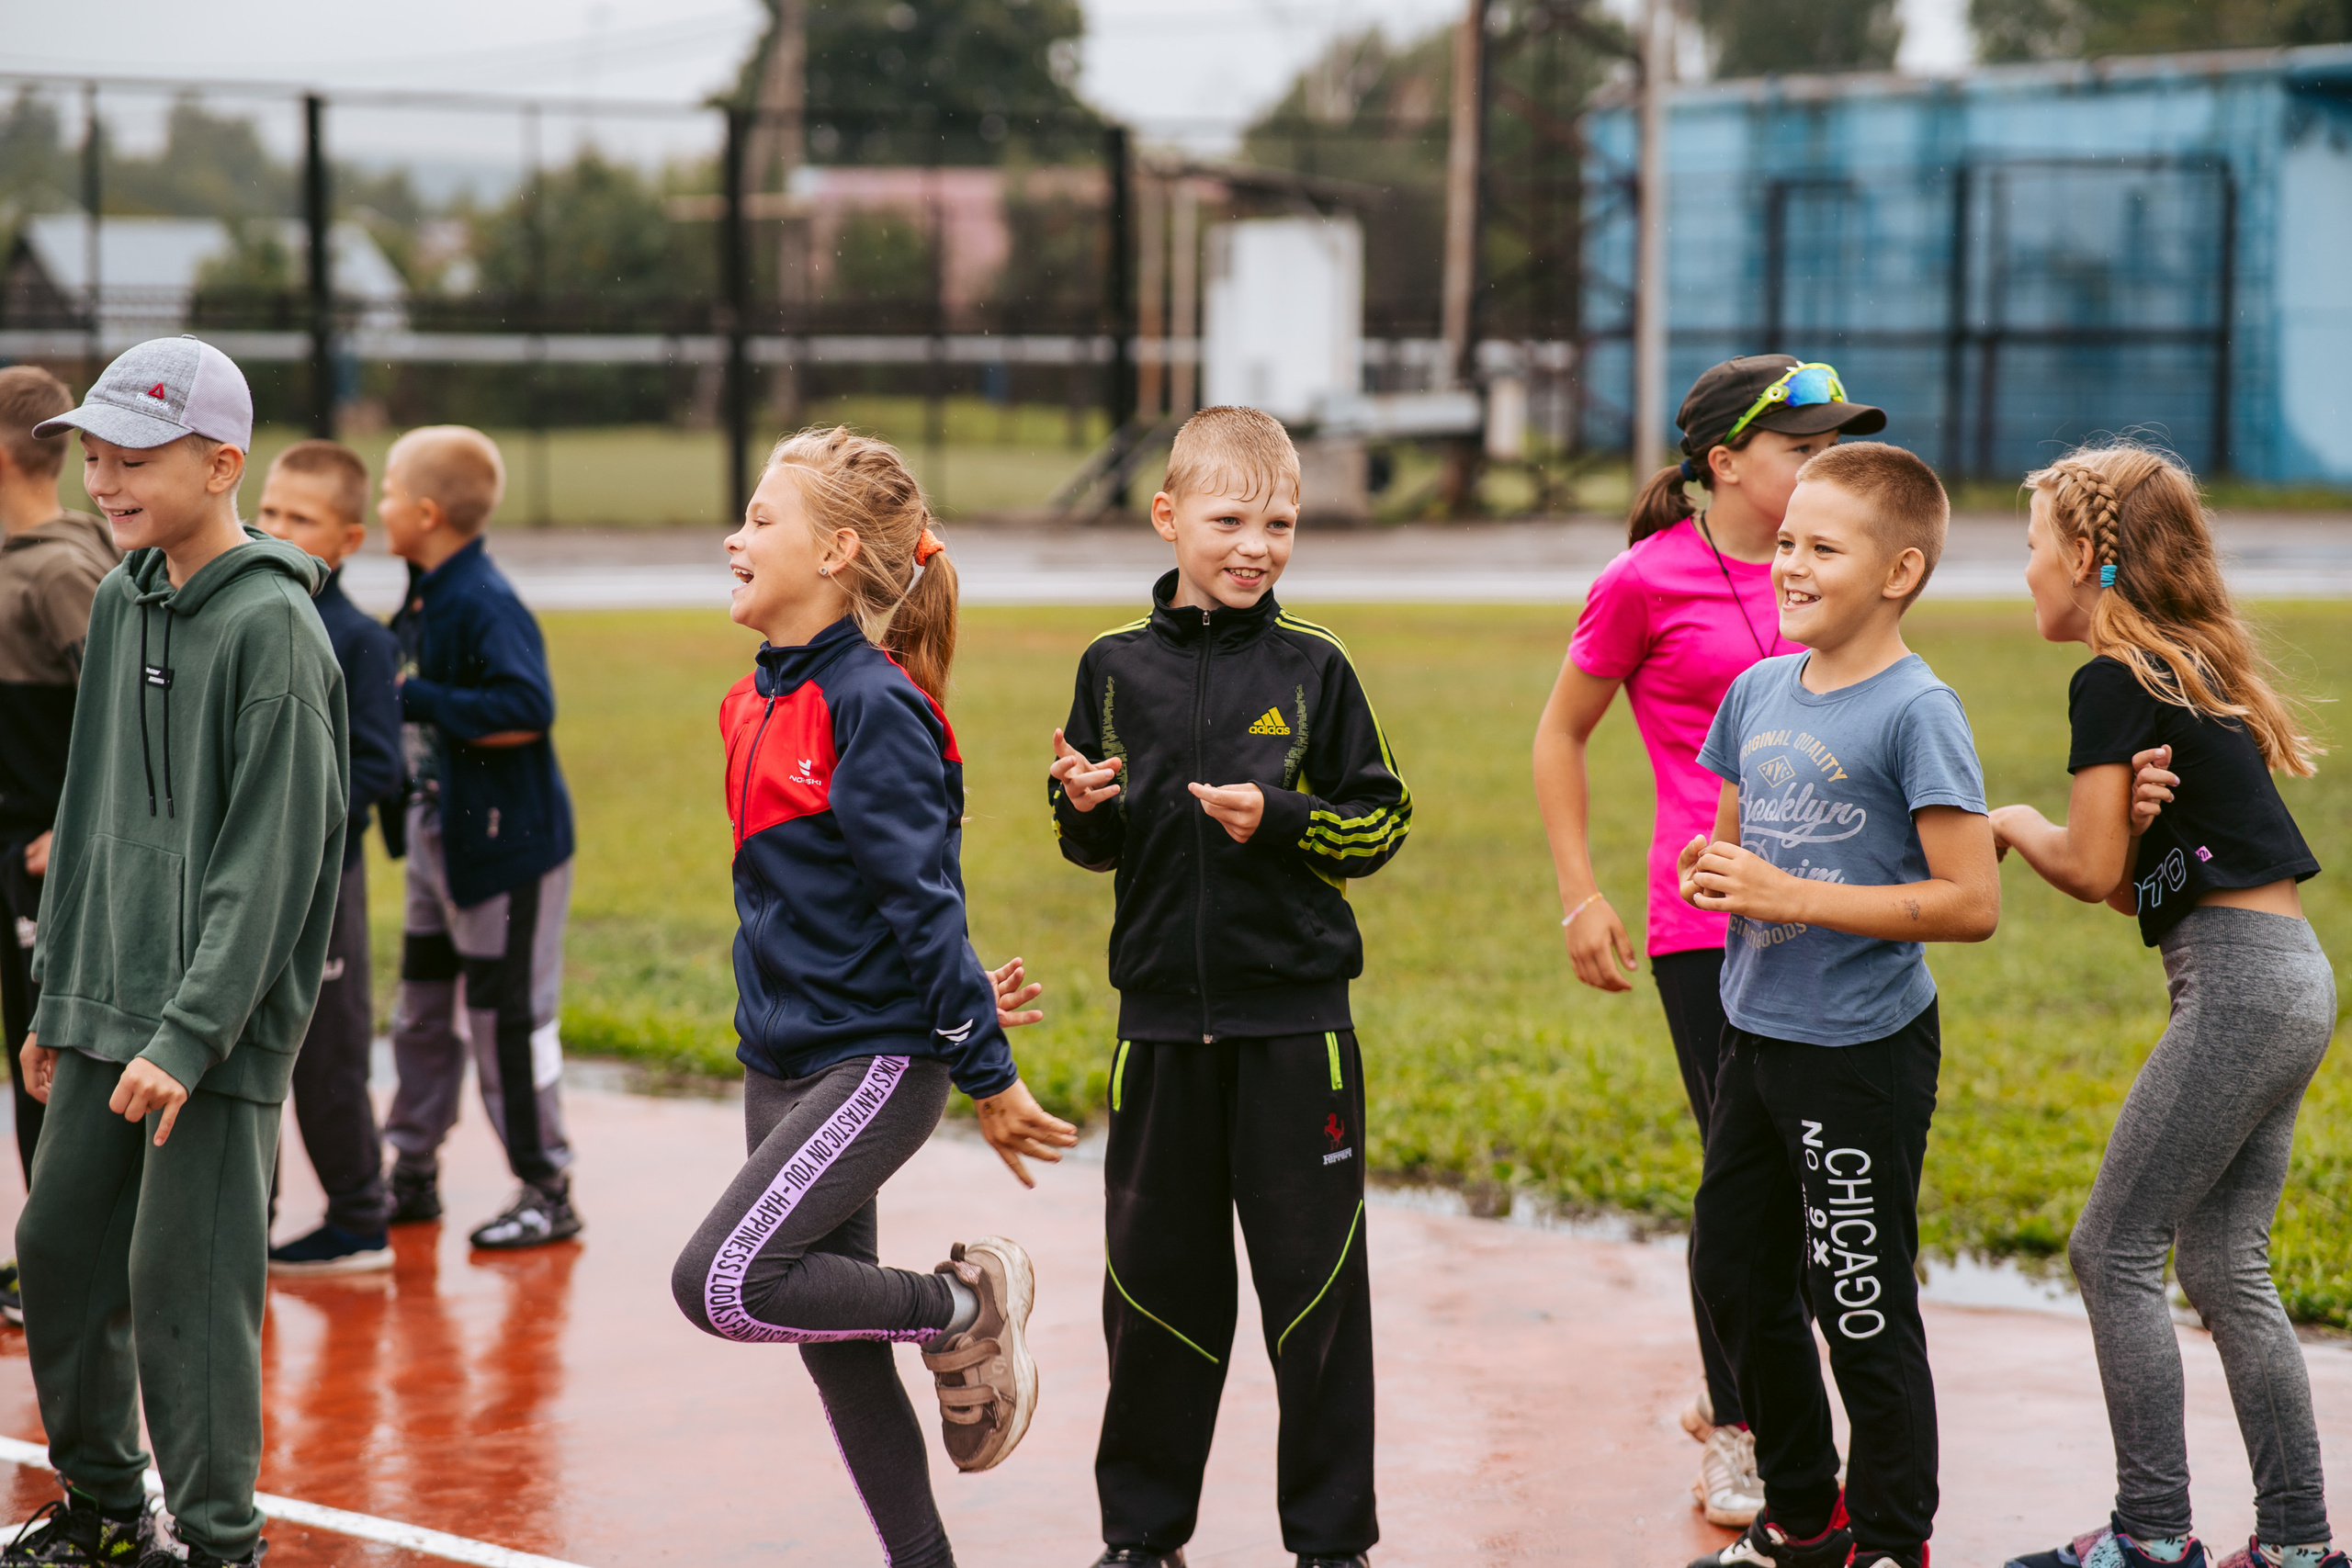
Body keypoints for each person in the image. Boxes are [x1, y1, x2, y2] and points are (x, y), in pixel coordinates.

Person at [669, 425, 1078, 1568]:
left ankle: (963, 1308)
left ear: (839, 551)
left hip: (879, 1063)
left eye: (760, 520)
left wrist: (985, 1075)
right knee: (832, 1332)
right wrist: (947, 981)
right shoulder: (749, 704)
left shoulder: (874, 706)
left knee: (724, 1281)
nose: (733, 538)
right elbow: (850, 904)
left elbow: (921, 907)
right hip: (784, 1058)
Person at [1050, 405, 1412, 1568]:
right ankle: (1141, 1538)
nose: (1256, 544)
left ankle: (1330, 1541)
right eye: (1229, 520)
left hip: (1294, 1032)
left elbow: (1379, 819)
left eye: (1280, 522)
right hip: (1156, 1031)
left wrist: (1286, 820)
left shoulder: (1316, 667)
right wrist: (1083, 805)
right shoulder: (1112, 668)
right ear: (1167, 519)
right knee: (1154, 1296)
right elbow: (1092, 845)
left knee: (1313, 1301)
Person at [6, 335, 347, 1568]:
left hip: (213, 1032)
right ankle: (103, 1513)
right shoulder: (118, 594)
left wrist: (192, 1032)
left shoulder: (277, 632)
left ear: (221, 461)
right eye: (92, 455)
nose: (103, 480)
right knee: (57, 1246)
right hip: (102, 1001)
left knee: (187, 1297)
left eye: (133, 457)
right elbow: (91, 810)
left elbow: (274, 863)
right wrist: (57, 995)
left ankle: (219, 1543)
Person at [1532, 355, 1884, 1527]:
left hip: (1836, 923)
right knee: (1749, 1189)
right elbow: (1559, 736)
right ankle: (1740, 1428)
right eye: (1802, 449)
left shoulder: (1835, 576)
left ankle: (1750, 1392)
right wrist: (1583, 896)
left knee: (1809, 1181)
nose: (1823, 468)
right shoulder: (1643, 583)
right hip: (1707, 930)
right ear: (1725, 463)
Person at [1991, 446, 2345, 1568]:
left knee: (2112, 1250)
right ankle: (2297, 1548)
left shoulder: (2111, 679)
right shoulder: (2187, 671)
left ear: (2090, 559)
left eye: (2034, 544)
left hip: (2240, 990)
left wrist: (2008, 823)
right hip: (2291, 979)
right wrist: (2132, 834)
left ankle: (2149, 1536)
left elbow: (2088, 873)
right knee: (2223, 1266)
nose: (2026, 570)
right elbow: (2144, 887)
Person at [1679, 442, 2000, 1568]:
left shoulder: (1919, 711)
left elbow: (1970, 902)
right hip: (1754, 1032)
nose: (1791, 565)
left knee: (1855, 1300)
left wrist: (1788, 892)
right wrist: (1712, 870)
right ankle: (1804, 1518)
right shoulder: (1757, 689)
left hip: (1858, 1052)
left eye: (1824, 548)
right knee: (1732, 1271)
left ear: (1900, 570)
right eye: (1784, 543)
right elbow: (1736, 838)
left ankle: (1895, 1537)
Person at [379, 425, 582, 1250]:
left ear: (427, 512)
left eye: (388, 491)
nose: (379, 505)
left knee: (506, 1018)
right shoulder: (425, 590)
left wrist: (417, 698)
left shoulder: (480, 599)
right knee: (423, 1008)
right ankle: (412, 1166)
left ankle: (546, 1186)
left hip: (505, 854)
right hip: (443, 847)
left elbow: (525, 708)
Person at [254, 439, 403, 1273]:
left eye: (300, 519)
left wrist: (292, 820)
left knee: (328, 1055)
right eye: (270, 510)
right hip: (238, 887)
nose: (276, 528)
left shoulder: (360, 640)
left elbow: (378, 767)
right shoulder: (242, 612)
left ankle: (359, 1218)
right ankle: (246, 1215)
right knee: (239, 1047)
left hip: (321, 888)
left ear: (348, 540)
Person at [0, 364, 120, 1326]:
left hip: (57, 869)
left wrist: (66, 829)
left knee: (58, 1060)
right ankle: (50, 1249)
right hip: (15, 867)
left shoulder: (64, 571)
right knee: (24, 1049)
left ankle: (81, 1259)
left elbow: (120, 716)